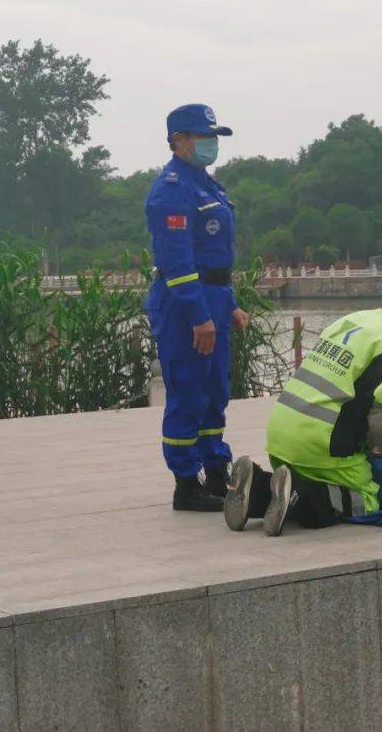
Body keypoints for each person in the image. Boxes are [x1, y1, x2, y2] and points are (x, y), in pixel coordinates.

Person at [224, 266, 382, 535]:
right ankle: (298, 493)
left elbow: (347, 393)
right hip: (318, 444)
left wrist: (370, 444)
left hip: (280, 438)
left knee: (314, 476)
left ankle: (258, 486)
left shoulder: (353, 320)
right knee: (365, 499)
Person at [144, 103, 249, 512]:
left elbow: (215, 254)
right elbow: (177, 262)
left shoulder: (207, 185)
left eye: (214, 137)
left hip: (215, 298)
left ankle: (216, 470)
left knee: (215, 392)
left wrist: (230, 306)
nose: (211, 144)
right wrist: (199, 315)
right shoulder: (172, 189)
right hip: (185, 303)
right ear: (179, 141)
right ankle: (186, 484)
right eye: (204, 137)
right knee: (188, 392)